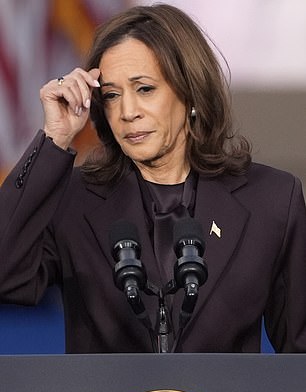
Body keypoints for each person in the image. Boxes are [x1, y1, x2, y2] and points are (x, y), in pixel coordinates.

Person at [0, 4, 305, 354]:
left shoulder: (272, 201)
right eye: (112, 95)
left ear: (189, 91)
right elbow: (6, 276)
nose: (128, 112)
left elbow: (300, 359)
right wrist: (54, 139)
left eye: (144, 89)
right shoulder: (71, 199)